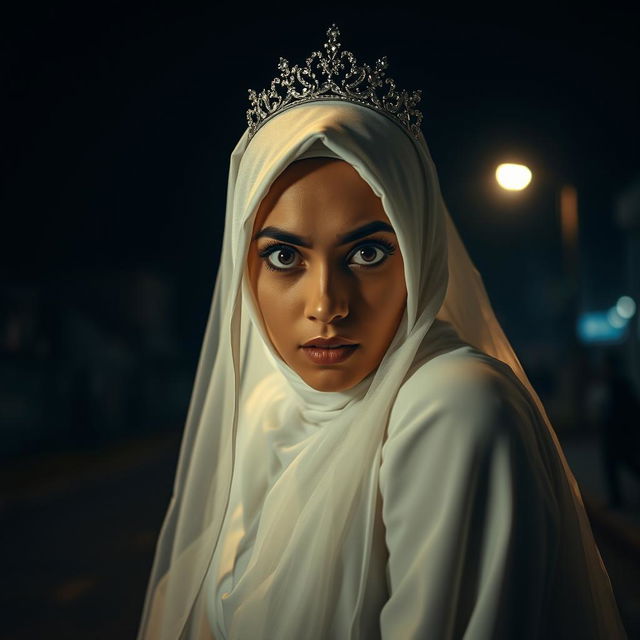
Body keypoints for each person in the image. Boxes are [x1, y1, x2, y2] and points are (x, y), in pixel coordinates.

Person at [137, 25, 627, 640]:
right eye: (285, 258)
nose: (327, 306)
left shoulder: (452, 408)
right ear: (244, 269)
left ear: (420, 255)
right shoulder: (272, 408)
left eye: (367, 253)